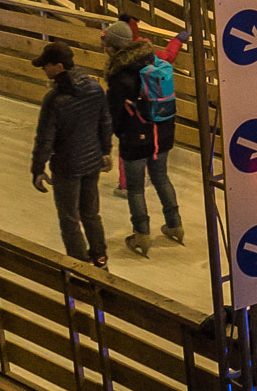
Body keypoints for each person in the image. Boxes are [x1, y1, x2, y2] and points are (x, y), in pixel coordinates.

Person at [102, 20, 184, 256]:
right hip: (163, 133)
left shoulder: (120, 75)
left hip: (135, 139)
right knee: (161, 177)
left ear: (114, 47)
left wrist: (110, 142)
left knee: (136, 189)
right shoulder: (152, 60)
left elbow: (112, 115)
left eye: (107, 44)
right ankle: (175, 224)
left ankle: (142, 235)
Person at [30, 41, 111, 268]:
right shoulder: (95, 89)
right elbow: (105, 123)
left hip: (67, 167)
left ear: (58, 66)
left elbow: (44, 139)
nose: (44, 70)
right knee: (91, 213)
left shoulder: (54, 99)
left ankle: (80, 265)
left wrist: (37, 169)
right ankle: (100, 258)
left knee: (69, 218)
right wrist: (105, 152)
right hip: (92, 161)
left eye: (46, 65)